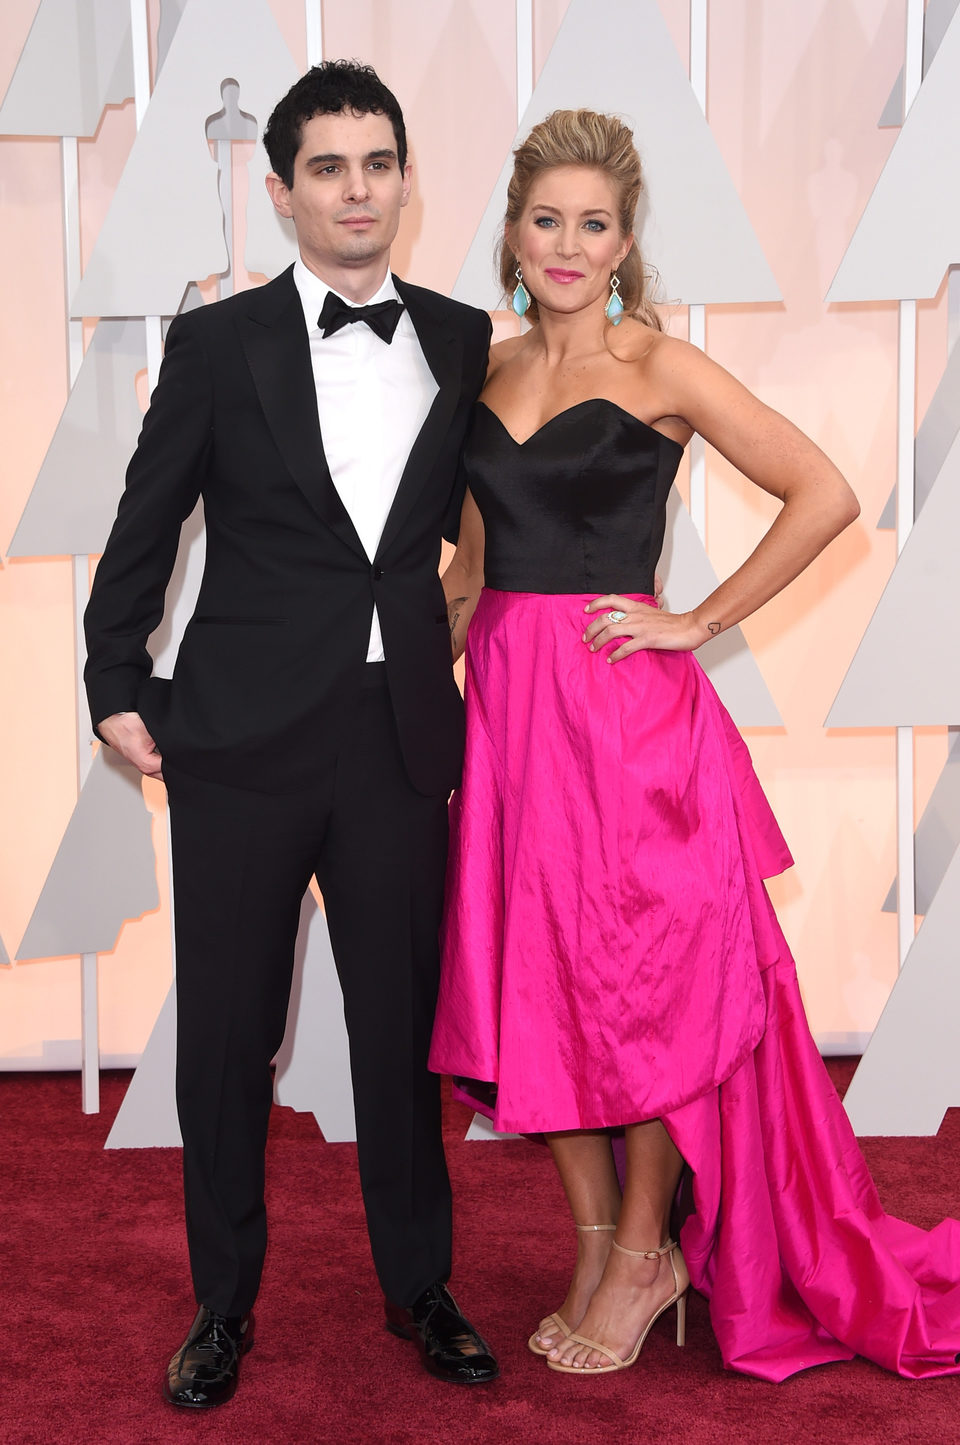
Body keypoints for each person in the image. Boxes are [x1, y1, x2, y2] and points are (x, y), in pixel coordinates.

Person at [429, 109, 960, 1381]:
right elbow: (474, 569)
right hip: (510, 721)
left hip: (627, 721)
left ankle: (644, 1253)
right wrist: (387, 681)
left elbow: (824, 488)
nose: (567, 243)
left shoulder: (661, 368)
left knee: (650, 993)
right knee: (530, 985)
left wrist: (696, 621)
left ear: (624, 245)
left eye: (593, 224)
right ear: (512, 231)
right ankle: (602, 1237)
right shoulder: (482, 374)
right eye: (545, 218)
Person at [84, 61, 498, 1408]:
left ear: (405, 180)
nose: (358, 186)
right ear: (283, 192)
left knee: (400, 1033)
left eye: (378, 161)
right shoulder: (221, 343)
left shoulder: (461, 336)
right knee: (227, 1039)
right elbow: (144, 529)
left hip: (395, 737)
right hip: (241, 743)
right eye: (329, 167)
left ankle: (419, 1286)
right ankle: (221, 1305)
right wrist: (115, 679)